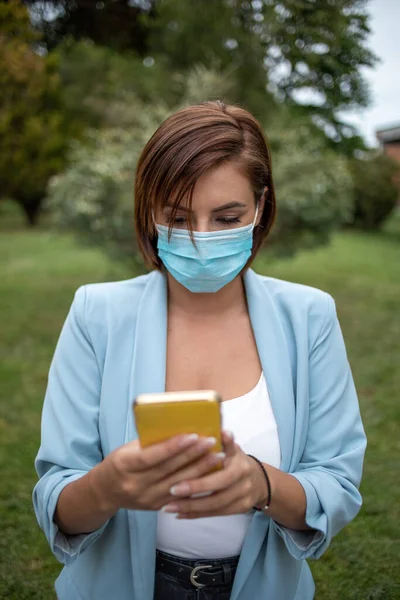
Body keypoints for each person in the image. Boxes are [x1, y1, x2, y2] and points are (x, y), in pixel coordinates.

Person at [33, 101, 366, 600]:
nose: (201, 238)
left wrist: (260, 484)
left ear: (260, 207)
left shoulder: (310, 317)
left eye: (226, 216)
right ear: (150, 211)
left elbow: (337, 485)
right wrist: (108, 487)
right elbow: (56, 497)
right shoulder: (95, 314)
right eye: (179, 217)